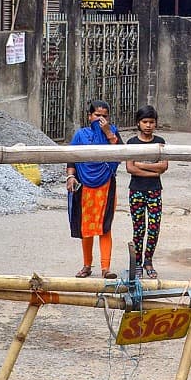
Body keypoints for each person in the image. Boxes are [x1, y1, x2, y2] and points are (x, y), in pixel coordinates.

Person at [67, 100, 121, 279]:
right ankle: (86, 265)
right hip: (85, 187)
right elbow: (71, 158)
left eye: (104, 116)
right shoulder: (81, 135)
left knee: (105, 228)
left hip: (106, 185)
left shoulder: (113, 133)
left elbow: (120, 154)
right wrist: (70, 176)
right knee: (87, 227)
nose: (101, 119)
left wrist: (107, 133)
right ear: (89, 116)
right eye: (97, 115)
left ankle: (106, 268)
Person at [125, 106, 168, 279]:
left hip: (154, 191)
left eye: (151, 122)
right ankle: (137, 264)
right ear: (138, 123)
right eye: (145, 122)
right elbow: (130, 168)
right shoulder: (131, 143)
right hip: (136, 190)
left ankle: (148, 261)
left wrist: (141, 165)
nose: (148, 125)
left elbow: (164, 166)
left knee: (154, 228)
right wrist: (153, 171)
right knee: (138, 228)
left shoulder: (160, 141)